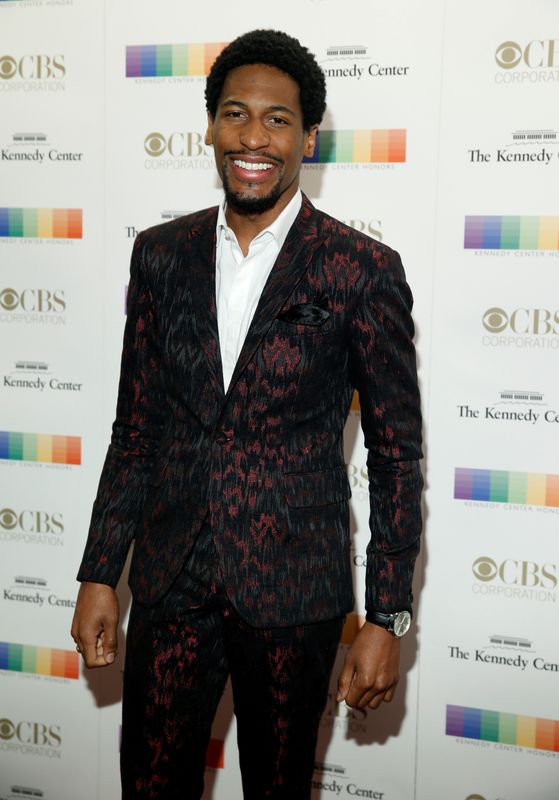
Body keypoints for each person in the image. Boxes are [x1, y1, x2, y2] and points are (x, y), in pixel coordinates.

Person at [71, 29, 423, 800]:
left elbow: (396, 454)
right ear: (209, 128)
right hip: (170, 580)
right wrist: (102, 572)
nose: (252, 137)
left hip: (293, 590)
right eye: (235, 115)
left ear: (307, 137)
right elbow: (136, 428)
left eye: (276, 120)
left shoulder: (360, 270)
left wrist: (386, 616)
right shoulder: (161, 256)